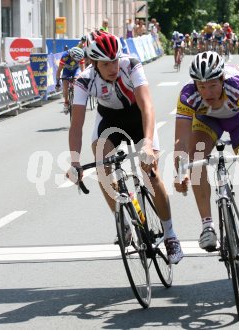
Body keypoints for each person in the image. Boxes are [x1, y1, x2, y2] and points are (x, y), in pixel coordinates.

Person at [67, 31, 183, 264]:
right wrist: (75, 162)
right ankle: (122, 223)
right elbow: (76, 124)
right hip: (109, 119)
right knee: (101, 164)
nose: (113, 67)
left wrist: (148, 144)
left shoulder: (131, 65)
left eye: (115, 60)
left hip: (137, 116)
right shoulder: (83, 80)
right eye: (106, 63)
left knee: (150, 172)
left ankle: (170, 235)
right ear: (94, 63)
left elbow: (147, 106)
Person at [174, 51, 239, 271]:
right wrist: (180, 172)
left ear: (222, 80)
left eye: (213, 86)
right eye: (202, 86)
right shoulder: (188, 95)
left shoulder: (237, 86)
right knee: (196, 159)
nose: (207, 92)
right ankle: (207, 226)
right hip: (208, 121)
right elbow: (181, 139)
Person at [55, 47, 85, 114]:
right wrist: (57, 82)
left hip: (76, 70)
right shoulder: (65, 56)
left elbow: (83, 71)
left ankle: (76, 97)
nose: (76, 61)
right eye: (75, 59)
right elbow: (59, 70)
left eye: (78, 60)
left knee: (77, 80)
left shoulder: (80, 56)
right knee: (65, 85)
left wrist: (82, 79)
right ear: (71, 56)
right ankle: (66, 102)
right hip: (66, 71)